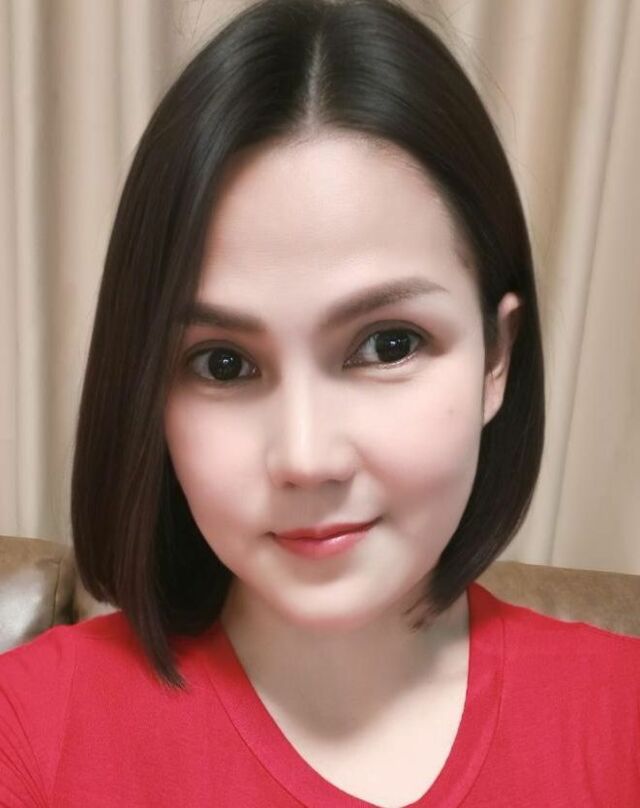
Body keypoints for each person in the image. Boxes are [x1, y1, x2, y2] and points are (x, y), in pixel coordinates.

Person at [1, 0, 638, 805]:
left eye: (390, 344)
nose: (306, 458)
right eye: (224, 364)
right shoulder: (29, 730)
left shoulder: (622, 717)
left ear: (497, 358)